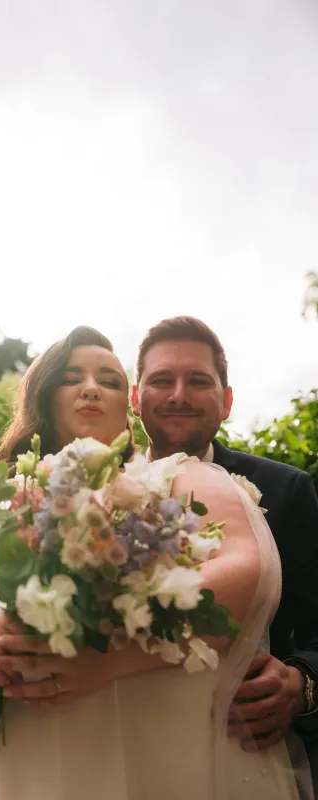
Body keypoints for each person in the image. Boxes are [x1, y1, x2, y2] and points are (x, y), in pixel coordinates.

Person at [0, 325, 307, 799]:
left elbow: (245, 568)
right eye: (71, 376)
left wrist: (108, 660)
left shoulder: (180, 478)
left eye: (109, 378)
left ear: (130, 406)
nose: (92, 387)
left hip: (161, 741)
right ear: (42, 393)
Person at [131, 315, 318, 776]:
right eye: (161, 380)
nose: (178, 394)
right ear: (136, 398)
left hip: (244, 749)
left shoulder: (287, 491)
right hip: (121, 740)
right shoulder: (95, 491)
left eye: (198, 380)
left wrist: (302, 682)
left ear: (227, 400)